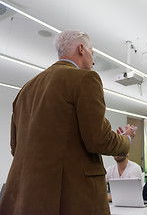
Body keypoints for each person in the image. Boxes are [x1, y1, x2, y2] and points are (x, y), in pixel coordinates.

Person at [0, 30, 136, 215]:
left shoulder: (25, 90)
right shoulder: (85, 78)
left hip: (26, 197)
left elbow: (15, 147)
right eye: (92, 53)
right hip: (72, 197)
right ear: (81, 49)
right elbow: (99, 139)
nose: (93, 61)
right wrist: (126, 140)